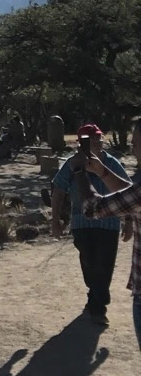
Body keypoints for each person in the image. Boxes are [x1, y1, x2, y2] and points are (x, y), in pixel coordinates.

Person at [57, 124, 132, 321]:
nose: (97, 142)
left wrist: (129, 222)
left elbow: (128, 193)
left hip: (109, 224)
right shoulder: (72, 164)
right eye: (90, 139)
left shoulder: (112, 163)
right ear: (81, 143)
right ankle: (96, 295)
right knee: (89, 262)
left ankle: (99, 307)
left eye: (98, 138)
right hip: (81, 223)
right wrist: (55, 218)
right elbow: (58, 188)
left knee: (104, 264)